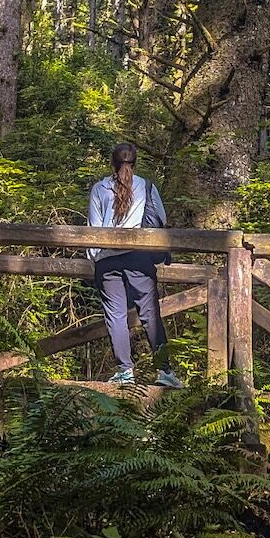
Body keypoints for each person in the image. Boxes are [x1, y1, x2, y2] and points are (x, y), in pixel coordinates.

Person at [87, 142, 182, 387]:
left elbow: (93, 229)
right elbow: (160, 218)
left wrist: (96, 258)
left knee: (116, 316)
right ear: (134, 163)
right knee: (150, 313)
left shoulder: (99, 188)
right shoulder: (145, 186)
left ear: (112, 163)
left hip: (107, 260)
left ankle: (125, 372)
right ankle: (164, 372)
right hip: (139, 257)